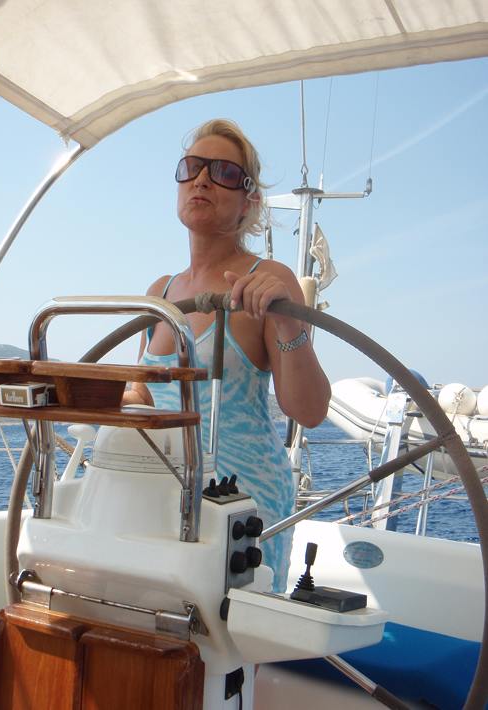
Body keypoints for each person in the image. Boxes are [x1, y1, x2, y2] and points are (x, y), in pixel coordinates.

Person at [123, 119, 330, 591]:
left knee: (229, 634)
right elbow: (140, 393)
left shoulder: (268, 278)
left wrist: (288, 321)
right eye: (192, 167)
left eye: (224, 172)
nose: (202, 179)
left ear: (249, 200)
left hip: (245, 504)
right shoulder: (160, 292)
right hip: (163, 495)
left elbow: (310, 411)